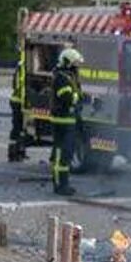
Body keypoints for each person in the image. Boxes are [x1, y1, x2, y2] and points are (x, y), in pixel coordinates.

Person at [49, 47, 82, 196]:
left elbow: (75, 95)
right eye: (75, 63)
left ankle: (64, 183)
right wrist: (79, 99)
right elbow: (67, 98)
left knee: (66, 154)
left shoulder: (68, 76)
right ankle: (60, 185)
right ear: (68, 62)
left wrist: (91, 100)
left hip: (68, 120)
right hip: (62, 121)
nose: (77, 67)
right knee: (61, 154)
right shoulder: (61, 78)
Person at [6, 44, 30, 163]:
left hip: (19, 101)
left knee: (21, 129)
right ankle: (13, 153)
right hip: (19, 102)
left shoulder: (22, 65)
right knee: (17, 129)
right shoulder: (23, 66)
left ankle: (20, 152)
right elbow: (19, 84)